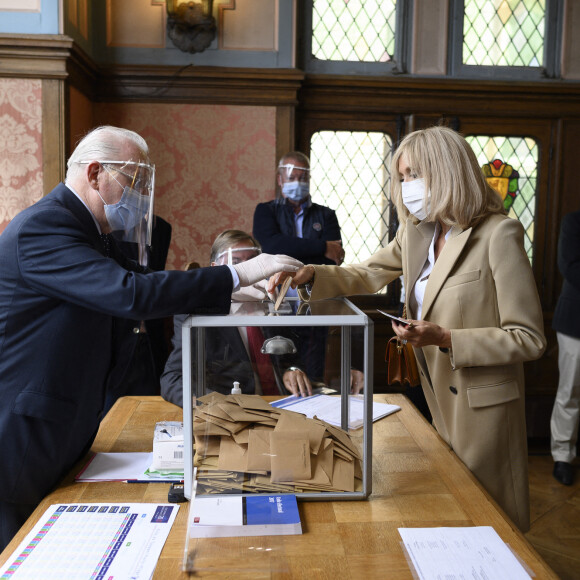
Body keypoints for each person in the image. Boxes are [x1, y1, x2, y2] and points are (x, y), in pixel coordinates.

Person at [0, 125, 302, 550]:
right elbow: (132, 294)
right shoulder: (44, 227)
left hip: (64, 424)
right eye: (134, 179)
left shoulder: (89, 230)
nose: (141, 193)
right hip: (24, 435)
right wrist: (238, 272)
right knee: (20, 549)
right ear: (94, 173)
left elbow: (145, 279)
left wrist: (232, 289)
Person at [270, 126, 547, 532]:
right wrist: (311, 273)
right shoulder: (417, 232)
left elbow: (529, 338)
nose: (408, 186)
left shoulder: (498, 234)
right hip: (432, 394)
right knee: (454, 513)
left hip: (482, 409)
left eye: (414, 174)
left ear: (446, 172)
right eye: (402, 178)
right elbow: (367, 273)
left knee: (491, 522)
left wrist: (446, 338)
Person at [160, 230, 313, 406]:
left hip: (282, 403)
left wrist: (292, 370)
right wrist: (215, 405)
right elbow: (172, 379)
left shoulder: (274, 305)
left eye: (253, 261)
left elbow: (289, 357)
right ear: (215, 270)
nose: (249, 269)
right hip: (234, 410)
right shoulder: (196, 315)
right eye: (236, 263)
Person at [104, 215, 173, 414]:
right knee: (110, 413)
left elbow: (155, 278)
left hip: (150, 337)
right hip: (115, 338)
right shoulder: (108, 225)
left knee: (148, 411)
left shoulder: (161, 227)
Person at [253, 150, 344, 267]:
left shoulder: (326, 215)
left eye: (303, 178)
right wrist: (323, 247)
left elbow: (334, 256)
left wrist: (288, 247)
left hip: (316, 282)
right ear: (280, 180)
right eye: (291, 178)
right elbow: (270, 247)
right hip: (276, 282)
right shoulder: (266, 210)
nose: (297, 183)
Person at [550, 209, 580, 486]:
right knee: (570, 392)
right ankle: (563, 457)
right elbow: (570, 267)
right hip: (575, 323)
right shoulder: (573, 221)